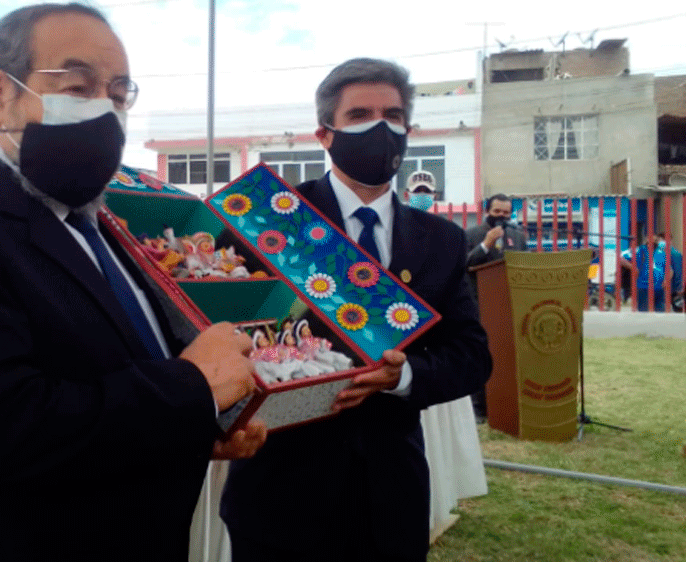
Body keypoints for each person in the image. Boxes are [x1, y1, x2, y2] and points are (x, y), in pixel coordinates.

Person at [0, 2, 266, 562]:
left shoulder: (100, 218)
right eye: (77, 87)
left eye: (119, 93)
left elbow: (120, 369)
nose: (105, 110)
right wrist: (192, 390)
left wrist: (198, 424)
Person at [220, 58, 492, 562]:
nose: (380, 128)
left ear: (408, 130)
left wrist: (406, 373)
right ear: (325, 133)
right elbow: (215, 327)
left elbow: (472, 357)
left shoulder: (440, 239)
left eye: (392, 115)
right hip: (279, 495)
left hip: (391, 498)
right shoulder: (267, 222)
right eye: (361, 114)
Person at [464, 193, 528, 421]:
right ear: (487, 211)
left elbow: (525, 266)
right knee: (482, 357)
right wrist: (486, 244)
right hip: (480, 306)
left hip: (511, 306)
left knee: (507, 357)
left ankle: (507, 403)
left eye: (506, 213)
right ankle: (479, 408)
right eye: (497, 212)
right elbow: (465, 266)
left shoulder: (518, 237)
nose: (501, 217)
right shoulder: (471, 235)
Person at [619, 232, 675, 312]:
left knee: (660, 314)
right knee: (644, 313)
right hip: (644, 287)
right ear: (647, 239)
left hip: (659, 288)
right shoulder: (639, 250)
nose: (654, 241)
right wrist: (634, 268)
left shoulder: (663, 252)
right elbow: (621, 258)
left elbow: (670, 270)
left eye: (656, 239)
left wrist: (666, 280)